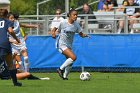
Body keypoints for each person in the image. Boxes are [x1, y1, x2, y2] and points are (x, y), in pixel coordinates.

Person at [51, 9, 90, 80]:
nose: (76, 16)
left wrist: (85, 35)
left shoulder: (76, 25)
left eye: (76, 15)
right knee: (73, 57)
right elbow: (54, 29)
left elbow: (81, 34)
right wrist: (53, 33)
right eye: (74, 15)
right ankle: (60, 69)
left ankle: (65, 77)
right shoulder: (63, 22)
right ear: (69, 15)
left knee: (70, 62)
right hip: (61, 44)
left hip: (69, 45)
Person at [0, 9, 22, 86]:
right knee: (10, 64)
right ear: (6, 15)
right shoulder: (7, 21)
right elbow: (11, 31)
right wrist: (16, 39)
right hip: (4, 44)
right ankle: (15, 83)